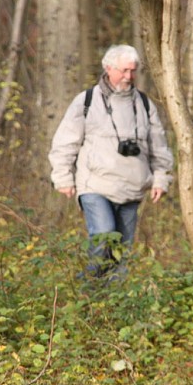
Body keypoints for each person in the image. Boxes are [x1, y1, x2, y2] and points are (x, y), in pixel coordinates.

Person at [48, 44, 174, 282]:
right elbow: (64, 143)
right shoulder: (86, 101)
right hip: (95, 186)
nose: (129, 77)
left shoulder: (145, 105)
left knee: (120, 257)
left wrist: (161, 178)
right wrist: (62, 177)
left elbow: (160, 146)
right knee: (104, 237)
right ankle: (85, 290)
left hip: (132, 188)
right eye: (124, 71)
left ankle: (109, 308)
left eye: (133, 71)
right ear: (108, 68)